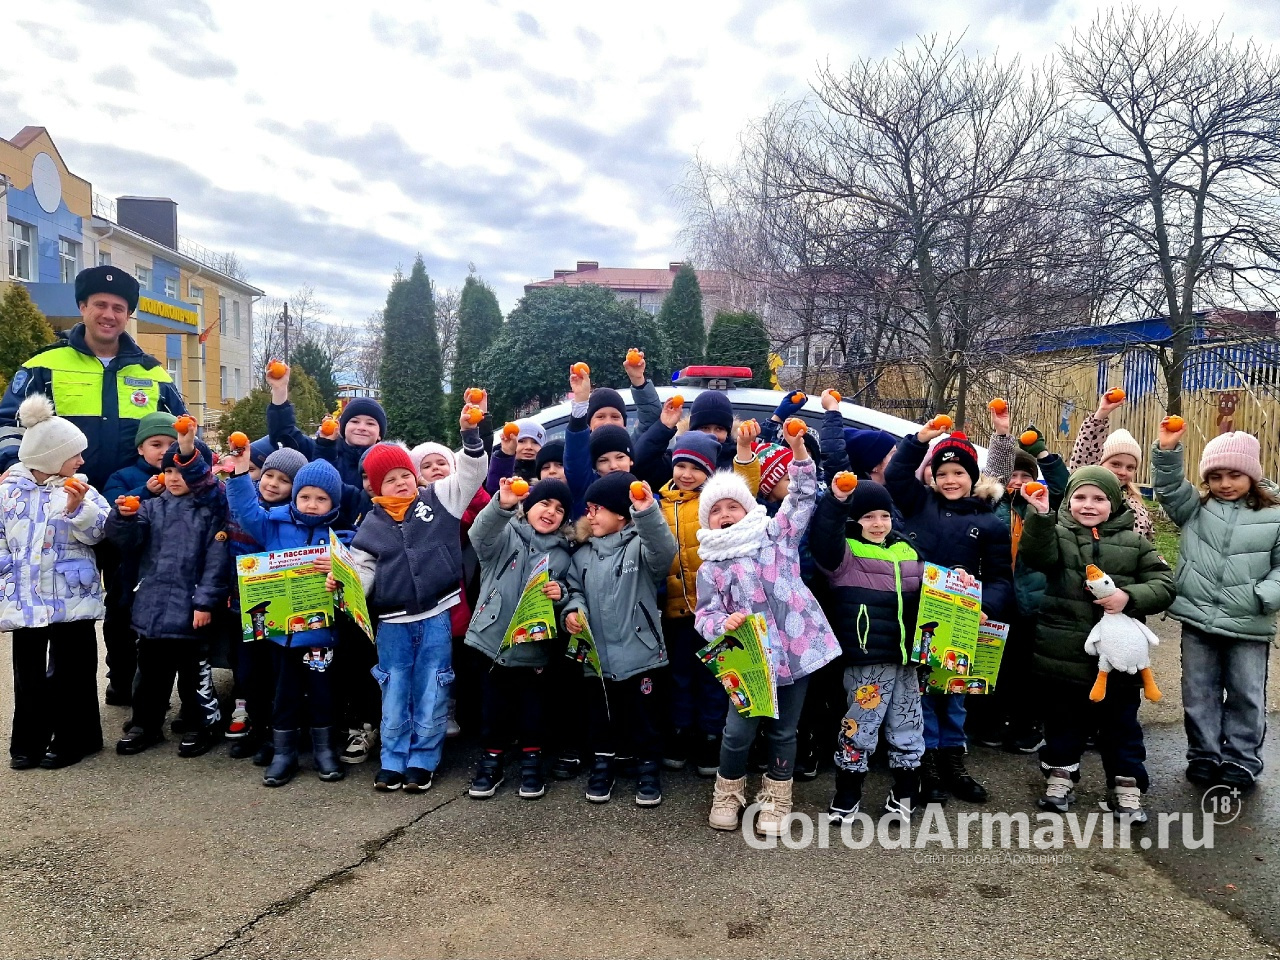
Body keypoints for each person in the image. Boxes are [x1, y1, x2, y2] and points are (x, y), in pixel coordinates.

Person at [696, 425, 840, 836]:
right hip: (748, 659)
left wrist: (800, 456)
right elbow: (704, 616)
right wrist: (724, 624)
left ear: (747, 508)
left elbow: (801, 499)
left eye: (732, 507)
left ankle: (777, 798)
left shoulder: (776, 536)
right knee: (737, 731)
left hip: (795, 652)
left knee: (784, 730)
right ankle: (728, 792)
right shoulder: (712, 566)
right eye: (716, 511)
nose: (725, 516)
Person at [1018, 467, 1174, 822]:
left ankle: (1126, 785)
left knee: (1121, 725)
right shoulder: (1057, 533)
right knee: (1063, 721)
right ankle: (1060, 776)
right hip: (1064, 653)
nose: (1089, 505)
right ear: (1068, 501)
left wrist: (1128, 596)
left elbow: (1164, 584)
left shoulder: (1135, 543)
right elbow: (1036, 556)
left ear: (1114, 503)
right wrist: (1040, 516)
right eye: (1080, 497)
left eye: (1099, 498)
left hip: (1119, 660)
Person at [345, 407, 488, 793]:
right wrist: (344, 585)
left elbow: (473, 473)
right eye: (390, 480)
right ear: (376, 489)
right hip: (392, 622)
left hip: (438, 614)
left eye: (406, 475)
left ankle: (423, 759)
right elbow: (362, 571)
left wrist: (470, 435)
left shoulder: (440, 501)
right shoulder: (370, 525)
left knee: (434, 685)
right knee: (394, 688)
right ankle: (393, 758)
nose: (402, 483)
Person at [884, 426, 1013, 805]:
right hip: (919, 620)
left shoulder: (989, 522)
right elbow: (895, 474)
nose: (950, 480)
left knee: (954, 695)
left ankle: (953, 761)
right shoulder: (918, 503)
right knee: (920, 693)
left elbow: (1001, 577)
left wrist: (984, 607)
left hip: (962, 624)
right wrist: (919, 440)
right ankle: (926, 764)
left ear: (973, 477)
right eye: (942, 473)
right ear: (931, 477)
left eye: (958, 473)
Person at [1153, 425, 1280, 794]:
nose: (1225, 483)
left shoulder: (1274, 515)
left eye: (1235, 474)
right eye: (1216, 476)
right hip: (1198, 620)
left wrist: (1264, 596)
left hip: (1248, 623)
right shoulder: (1197, 509)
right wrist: (1166, 451)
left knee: (1245, 694)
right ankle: (1204, 754)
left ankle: (1241, 759)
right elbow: (1169, 488)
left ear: (1252, 475)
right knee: (1199, 691)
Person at [0, 266, 186, 489]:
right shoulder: (42, 366)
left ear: (128, 315)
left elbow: (185, 432)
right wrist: (15, 467)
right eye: (100, 305)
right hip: (57, 500)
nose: (109, 315)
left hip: (137, 504)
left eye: (118, 308)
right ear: (83, 307)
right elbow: (8, 423)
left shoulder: (153, 374)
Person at [226, 451, 349, 786]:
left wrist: (337, 568)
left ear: (333, 503)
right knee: (285, 693)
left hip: (321, 637)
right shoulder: (273, 525)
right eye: (305, 496)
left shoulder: (339, 539)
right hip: (281, 636)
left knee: (322, 693)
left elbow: (354, 580)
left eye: (321, 499)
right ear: (294, 496)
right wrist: (239, 473)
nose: (311, 504)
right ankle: (284, 754)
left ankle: (325, 752)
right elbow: (245, 510)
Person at [107, 423, 229, 758]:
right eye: (169, 470)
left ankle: (200, 724)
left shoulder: (211, 512)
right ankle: (144, 724)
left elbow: (215, 564)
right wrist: (123, 517)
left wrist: (204, 602)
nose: (174, 477)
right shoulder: (151, 507)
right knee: (150, 675)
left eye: (182, 470)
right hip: (153, 608)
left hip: (192, 612)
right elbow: (127, 541)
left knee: (194, 678)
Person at [2, 394, 109, 770]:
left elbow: (100, 531)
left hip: (72, 596)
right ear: (50, 456)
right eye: (74, 453)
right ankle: (26, 743)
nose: (82, 460)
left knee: (73, 673)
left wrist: (78, 510)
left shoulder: (80, 489)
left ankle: (75, 738)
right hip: (25, 599)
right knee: (27, 675)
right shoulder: (8, 492)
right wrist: (6, 578)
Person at [810, 478, 925, 821]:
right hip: (867, 660)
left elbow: (934, 591)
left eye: (884, 516)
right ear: (854, 521)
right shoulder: (844, 554)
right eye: (868, 517)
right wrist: (837, 500)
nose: (878, 524)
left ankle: (905, 789)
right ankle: (848, 791)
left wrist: (959, 581)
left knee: (908, 724)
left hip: (907, 659)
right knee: (860, 726)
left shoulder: (909, 550)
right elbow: (824, 537)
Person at [563, 472, 678, 807]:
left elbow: (663, 549)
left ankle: (648, 766)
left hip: (639, 652)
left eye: (598, 508)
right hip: (597, 655)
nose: (590, 515)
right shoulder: (582, 555)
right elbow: (573, 590)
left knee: (644, 715)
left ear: (621, 515)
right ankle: (603, 763)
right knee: (602, 715)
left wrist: (645, 511)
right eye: (588, 508)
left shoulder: (639, 548)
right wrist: (573, 610)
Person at [657, 425, 761, 776]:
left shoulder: (715, 503)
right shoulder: (659, 503)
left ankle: (710, 737)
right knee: (680, 676)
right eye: (681, 465)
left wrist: (745, 451)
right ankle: (680, 732)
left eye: (697, 468)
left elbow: (746, 487)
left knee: (716, 676)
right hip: (676, 609)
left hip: (718, 610)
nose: (687, 475)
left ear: (710, 472)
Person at [464, 478, 576, 801]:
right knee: (493, 709)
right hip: (492, 640)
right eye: (544, 504)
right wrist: (502, 504)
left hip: (534, 647)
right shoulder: (505, 534)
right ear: (528, 507)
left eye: (559, 509)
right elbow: (478, 536)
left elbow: (569, 595)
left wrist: (561, 594)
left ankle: (531, 761)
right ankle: (492, 761)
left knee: (533, 709)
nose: (551, 512)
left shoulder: (563, 554)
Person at [969, 412, 1069, 754]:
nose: (1018, 481)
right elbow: (991, 477)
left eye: (1026, 476)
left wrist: (1042, 456)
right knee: (992, 662)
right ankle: (989, 722)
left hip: (1030, 601)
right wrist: (1002, 436)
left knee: (1027, 668)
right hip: (997, 598)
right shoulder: (991, 505)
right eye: (1013, 475)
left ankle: (1025, 725)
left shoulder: (1039, 508)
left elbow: (1061, 486)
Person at [223, 446, 309, 763]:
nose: (272, 483)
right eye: (269, 475)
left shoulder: (293, 519)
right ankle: (257, 729)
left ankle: (279, 735)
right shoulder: (250, 511)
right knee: (249, 675)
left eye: (284, 480)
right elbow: (243, 502)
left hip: (281, 613)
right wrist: (240, 473)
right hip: (244, 608)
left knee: (279, 677)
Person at [409, 439, 492, 738]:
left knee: (455, 649)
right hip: (422, 589)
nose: (435, 469)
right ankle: (432, 710)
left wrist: (468, 485)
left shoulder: (462, 498)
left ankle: (452, 708)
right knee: (428, 655)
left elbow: (482, 510)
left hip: (455, 586)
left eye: (441, 463)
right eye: (426, 466)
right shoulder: (413, 501)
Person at [100, 411, 180, 707]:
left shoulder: (182, 476)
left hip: (164, 567)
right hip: (126, 567)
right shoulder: (123, 476)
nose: (163, 451)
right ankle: (119, 681)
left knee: (155, 634)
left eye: (171, 444)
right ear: (140, 448)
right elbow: (110, 511)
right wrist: (144, 491)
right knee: (120, 625)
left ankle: (150, 690)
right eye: (155, 444)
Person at [563, 352, 662, 516]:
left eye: (615, 417)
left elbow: (651, 421)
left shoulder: (644, 496)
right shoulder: (586, 475)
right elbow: (575, 455)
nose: (614, 465)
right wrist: (581, 402)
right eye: (600, 417)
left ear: (631, 460)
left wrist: (639, 381)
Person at [1069, 392, 1154, 540]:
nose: (1122, 472)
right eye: (1115, 464)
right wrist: (1100, 415)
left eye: (1130, 467)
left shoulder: (1136, 503)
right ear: (1099, 463)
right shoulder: (1089, 493)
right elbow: (1083, 457)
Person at [484, 419, 546, 494]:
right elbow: (494, 490)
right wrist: (506, 454)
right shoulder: (505, 470)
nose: (529, 447)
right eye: (521, 441)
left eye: (535, 442)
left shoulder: (547, 472)